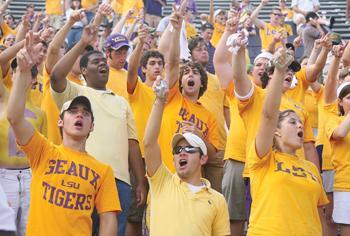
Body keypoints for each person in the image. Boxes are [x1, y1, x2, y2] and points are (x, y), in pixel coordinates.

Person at [7, 32, 120, 235]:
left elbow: (108, 219)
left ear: (91, 126)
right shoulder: (43, 151)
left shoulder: (103, 171)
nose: (80, 116)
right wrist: (23, 73)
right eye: (73, 112)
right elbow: (14, 117)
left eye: (86, 114)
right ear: (61, 120)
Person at [50, 24, 147, 236]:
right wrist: (83, 42)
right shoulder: (75, 94)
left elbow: (132, 144)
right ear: (84, 70)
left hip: (118, 181)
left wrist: (140, 182)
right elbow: (56, 76)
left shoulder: (122, 102)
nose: (102, 64)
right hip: (80, 176)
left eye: (104, 62)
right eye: (96, 62)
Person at [246, 47, 328, 235]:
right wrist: (280, 70)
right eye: (292, 122)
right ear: (276, 132)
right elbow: (268, 115)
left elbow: (318, 215)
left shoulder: (311, 169)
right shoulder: (263, 160)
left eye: (300, 122)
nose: (300, 126)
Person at [143, 75, 230, 236]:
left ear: (203, 158)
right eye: (177, 150)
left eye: (189, 149)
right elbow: (148, 143)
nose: (182, 152)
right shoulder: (162, 182)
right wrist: (160, 101)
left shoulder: (218, 200)